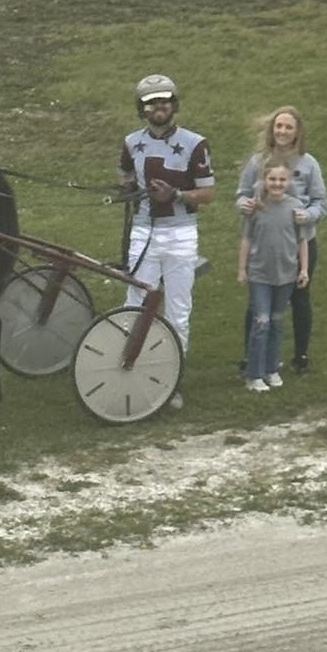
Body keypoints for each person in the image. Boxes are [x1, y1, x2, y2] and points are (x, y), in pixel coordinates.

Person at [118, 73, 216, 409]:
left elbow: (207, 193)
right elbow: (126, 181)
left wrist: (176, 194)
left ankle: (170, 381)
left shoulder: (195, 143)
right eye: (151, 102)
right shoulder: (131, 143)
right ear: (142, 109)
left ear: (173, 104)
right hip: (143, 232)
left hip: (181, 233)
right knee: (135, 303)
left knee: (178, 310)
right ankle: (130, 370)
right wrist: (126, 192)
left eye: (164, 100)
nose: (159, 107)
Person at [235, 105, 327, 374]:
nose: (283, 131)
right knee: (258, 300)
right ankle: (250, 355)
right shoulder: (257, 162)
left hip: (299, 243)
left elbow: (322, 202)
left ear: (298, 132)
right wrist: (246, 205)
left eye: (289, 127)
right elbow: (241, 194)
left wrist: (307, 214)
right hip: (263, 244)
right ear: (271, 130)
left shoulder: (309, 163)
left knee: (299, 296)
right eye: (279, 126)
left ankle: (300, 355)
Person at [237, 162, 310, 392]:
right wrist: (242, 269)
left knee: (277, 321)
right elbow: (246, 240)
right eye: (272, 179)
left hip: (286, 274)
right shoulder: (255, 207)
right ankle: (254, 374)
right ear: (264, 181)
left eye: (282, 180)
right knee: (261, 321)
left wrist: (304, 269)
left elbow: (302, 241)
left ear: (288, 182)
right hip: (260, 273)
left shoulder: (295, 207)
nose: (277, 184)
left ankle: (271, 369)